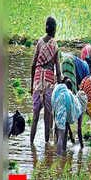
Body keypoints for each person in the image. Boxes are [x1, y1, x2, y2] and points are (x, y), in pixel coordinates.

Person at [30, 16, 61, 144]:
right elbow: (58, 71)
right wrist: (60, 86)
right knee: (47, 118)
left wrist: (31, 85)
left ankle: (31, 144)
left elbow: (33, 65)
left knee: (35, 117)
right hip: (48, 81)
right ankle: (47, 147)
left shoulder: (39, 42)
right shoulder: (55, 46)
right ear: (54, 31)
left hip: (37, 80)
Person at [51, 79, 87, 155]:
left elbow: (66, 124)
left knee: (60, 133)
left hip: (58, 108)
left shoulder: (63, 95)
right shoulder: (77, 105)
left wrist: (71, 137)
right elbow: (79, 129)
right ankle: (60, 158)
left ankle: (61, 152)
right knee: (61, 135)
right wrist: (82, 146)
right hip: (62, 109)